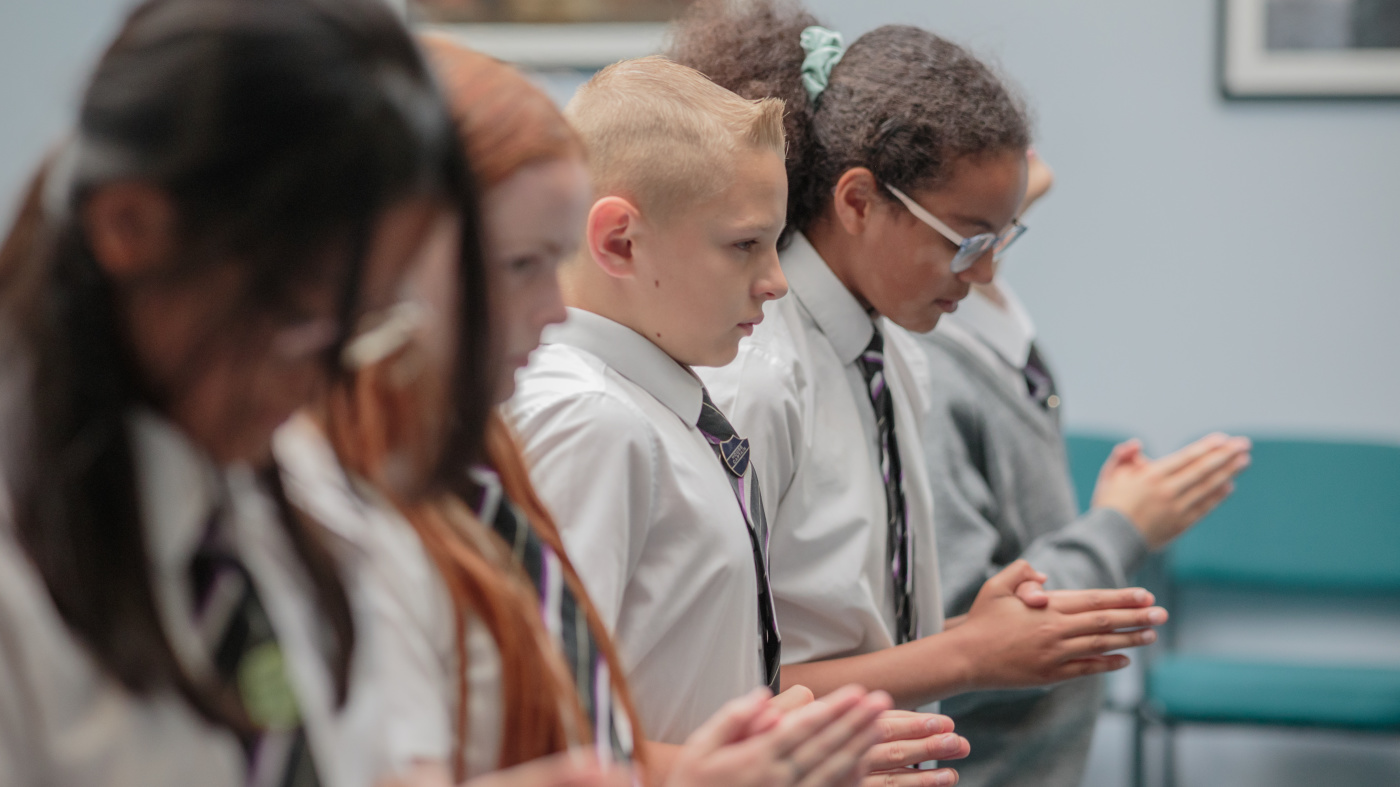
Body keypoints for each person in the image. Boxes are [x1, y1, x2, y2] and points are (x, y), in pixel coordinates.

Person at [273, 40, 900, 787]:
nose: (774, 282)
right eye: (522, 264)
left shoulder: (579, 419)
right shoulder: (586, 415)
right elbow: (541, 723)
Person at [0, 0, 475, 784]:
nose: (329, 377)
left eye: (365, 321)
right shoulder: (26, 573)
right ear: (129, 225)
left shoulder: (283, 497)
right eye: (299, 315)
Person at [668, 0, 1167, 719]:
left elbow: (864, 632)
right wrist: (967, 656)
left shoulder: (894, 350)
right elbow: (731, 688)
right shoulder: (759, 379)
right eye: (967, 243)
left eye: (1002, 241)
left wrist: (981, 630)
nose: (986, 274)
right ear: (859, 201)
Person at [911, 151, 1251, 787]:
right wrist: (1120, 527)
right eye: (974, 235)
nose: (1022, 147)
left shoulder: (991, 331)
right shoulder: (927, 371)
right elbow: (955, 652)